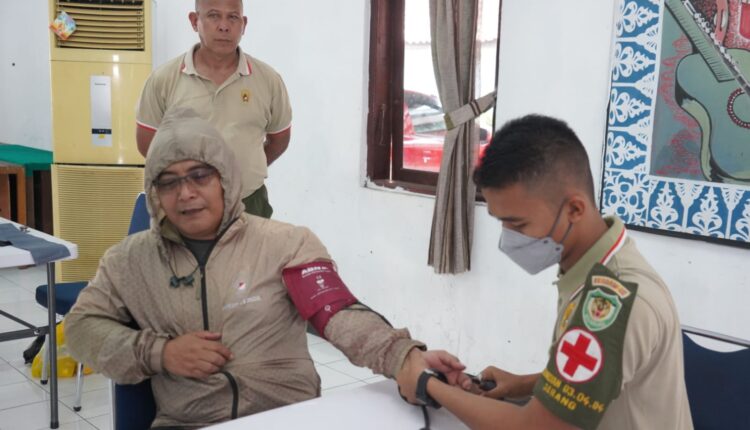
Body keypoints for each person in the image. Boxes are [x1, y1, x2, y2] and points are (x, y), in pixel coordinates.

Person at [65, 109, 468, 428]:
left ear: (225, 179)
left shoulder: (286, 244)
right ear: (154, 193)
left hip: (290, 417)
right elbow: (81, 328)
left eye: (199, 175)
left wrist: (402, 357)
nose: (185, 193)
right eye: (168, 182)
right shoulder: (129, 261)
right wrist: (161, 353)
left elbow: (337, 313)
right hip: (190, 422)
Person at [396, 115, 693, 429]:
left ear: (574, 209)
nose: (509, 239)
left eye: (519, 224)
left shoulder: (610, 302)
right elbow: (603, 376)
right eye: (502, 222)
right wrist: (524, 384)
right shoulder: (601, 266)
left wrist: (426, 384)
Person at [136, 0, 289, 218]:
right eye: (214, 15)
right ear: (194, 21)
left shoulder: (268, 80)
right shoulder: (164, 79)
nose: (224, 26)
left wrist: (244, 170)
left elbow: (279, 139)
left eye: (233, 17)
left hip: (248, 204)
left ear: (243, 24)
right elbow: (147, 143)